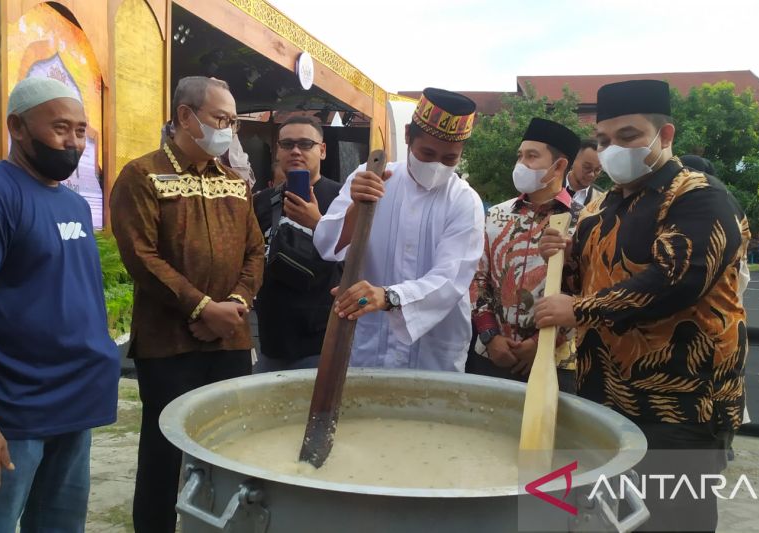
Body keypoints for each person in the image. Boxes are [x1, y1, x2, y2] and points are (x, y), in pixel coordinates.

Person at [535, 79, 750, 532]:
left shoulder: (699, 196)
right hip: (605, 400)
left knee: (671, 523)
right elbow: (581, 283)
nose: (613, 149)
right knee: (606, 521)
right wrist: (562, 257)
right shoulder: (600, 210)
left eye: (628, 137)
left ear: (665, 135)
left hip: (679, 409)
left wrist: (579, 310)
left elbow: (677, 280)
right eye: (604, 141)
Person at [110, 76, 265, 532]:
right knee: (164, 455)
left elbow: (256, 252)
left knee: (228, 449)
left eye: (233, 123)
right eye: (221, 119)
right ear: (184, 116)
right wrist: (201, 308)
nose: (228, 131)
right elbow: (140, 255)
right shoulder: (142, 176)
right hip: (168, 344)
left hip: (231, 339)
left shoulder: (236, 184)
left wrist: (233, 305)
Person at [0, 77, 119, 530]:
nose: (73, 142)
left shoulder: (75, 205)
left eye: (80, 131)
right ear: (17, 126)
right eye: (60, 128)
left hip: (75, 405)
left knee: (60, 525)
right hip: (14, 412)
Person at [313, 88, 485, 371]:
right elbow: (327, 244)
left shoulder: (465, 201)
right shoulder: (370, 176)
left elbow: (450, 279)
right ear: (407, 136)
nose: (437, 165)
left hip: (432, 352)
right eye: (427, 153)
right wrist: (357, 206)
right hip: (369, 341)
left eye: (449, 159)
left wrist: (391, 297)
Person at [469, 118, 581, 393]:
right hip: (491, 356)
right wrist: (490, 336)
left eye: (532, 156)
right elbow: (478, 279)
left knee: (544, 435)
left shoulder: (584, 221)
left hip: (553, 362)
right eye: (520, 155)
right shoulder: (497, 214)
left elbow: (588, 293)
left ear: (560, 166)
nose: (521, 164)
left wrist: (540, 344)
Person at [252, 116, 342, 372]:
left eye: (305, 144)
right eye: (287, 144)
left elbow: (358, 258)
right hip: (271, 340)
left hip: (322, 341)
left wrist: (319, 223)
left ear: (322, 150)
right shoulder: (262, 201)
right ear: (277, 150)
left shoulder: (343, 199)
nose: (295, 151)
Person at [565, 138, 604, 206]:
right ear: (573, 160)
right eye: (587, 167)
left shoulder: (600, 202)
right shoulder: (549, 183)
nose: (592, 174)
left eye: (597, 170)